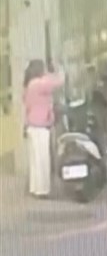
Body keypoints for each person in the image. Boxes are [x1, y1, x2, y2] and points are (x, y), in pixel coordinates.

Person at [23, 59, 63, 198]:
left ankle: (35, 188)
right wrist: (58, 68)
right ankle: (42, 190)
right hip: (40, 126)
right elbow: (59, 81)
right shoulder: (39, 84)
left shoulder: (29, 85)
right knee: (42, 159)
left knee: (35, 160)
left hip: (31, 125)